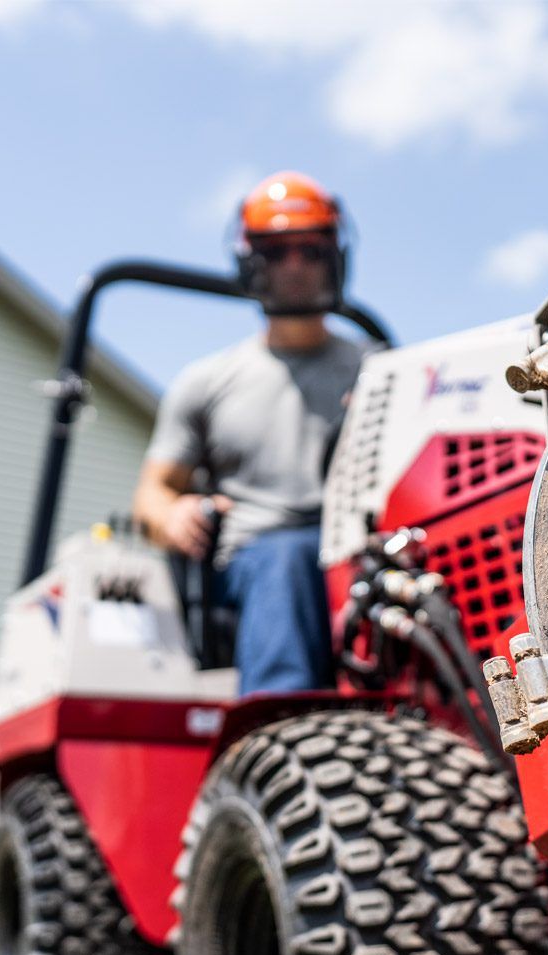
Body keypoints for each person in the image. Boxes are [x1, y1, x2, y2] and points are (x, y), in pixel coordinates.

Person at [133, 171, 376, 694]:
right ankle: (278, 728)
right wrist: (171, 514)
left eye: (310, 250)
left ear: (335, 257)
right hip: (257, 560)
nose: (295, 266)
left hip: (364, 551)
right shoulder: (207, 383)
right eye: (277, 252)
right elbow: (152, 494)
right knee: (289, 555)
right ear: (250, 263)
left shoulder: (381, 368)